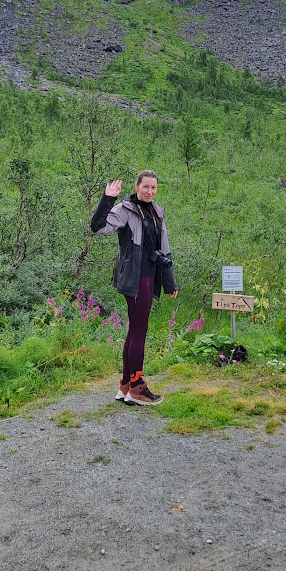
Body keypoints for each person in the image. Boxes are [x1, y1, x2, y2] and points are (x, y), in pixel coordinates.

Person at [90, 170, 177, 405]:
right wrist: (107, 198)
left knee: (135, 330)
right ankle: (138, 388)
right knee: (139, 331)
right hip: (135, 278)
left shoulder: (157, 212)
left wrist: (169, 282)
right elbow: (97, 227)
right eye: (145, 187)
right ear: (137, 186)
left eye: (153, 188)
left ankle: (126, 386)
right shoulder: (126, 209)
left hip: (149, 277)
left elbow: (164, 248)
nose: (149, 192)